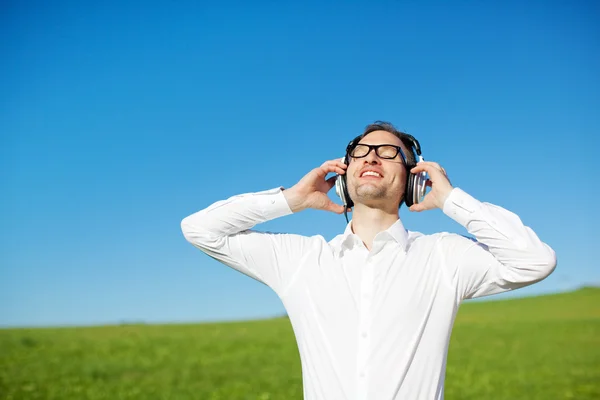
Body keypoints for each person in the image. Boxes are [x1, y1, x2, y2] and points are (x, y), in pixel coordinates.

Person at [180, 121, 557, 400]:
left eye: (388, 152)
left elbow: (534, 261)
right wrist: (291, 199)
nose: (372, 156)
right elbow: (200, 229)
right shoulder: (301, 259)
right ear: (345, 177)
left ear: (414, 180)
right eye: (361, 151)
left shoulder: (443, 256)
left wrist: (452, 199)